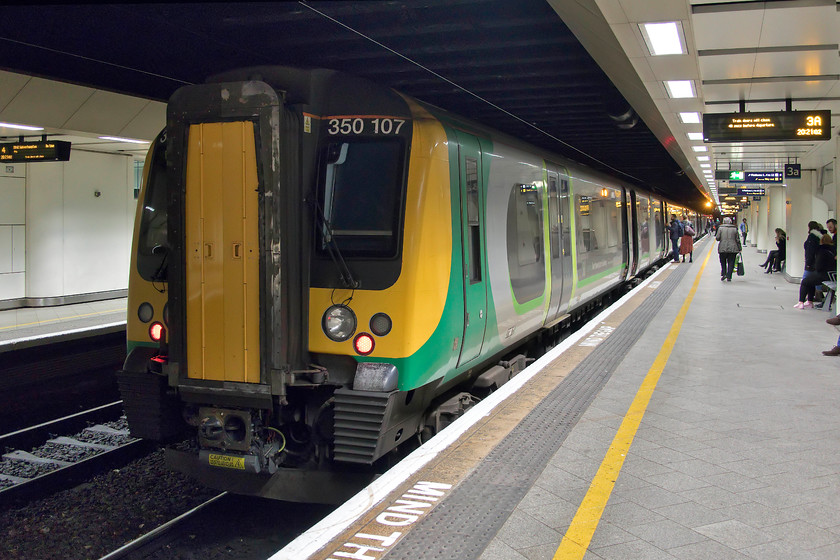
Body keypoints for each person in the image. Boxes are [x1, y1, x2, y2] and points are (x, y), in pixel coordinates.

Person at [793, 224, 830, 308]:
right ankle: (810, 300)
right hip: (829, 274)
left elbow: (815, 260)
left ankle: (801, 301)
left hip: (822, 273)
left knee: (805, 281)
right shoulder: (832, 249)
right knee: (810, 281)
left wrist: (810, 264)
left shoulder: (819, 248)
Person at [715, 217, 741, 281]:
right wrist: (740, 248)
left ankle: (724, 274)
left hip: (722, 248)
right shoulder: (734, 229)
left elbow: (717, 238)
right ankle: (729, 276)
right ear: (730, 222)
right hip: (733, 248)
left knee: (723, 261)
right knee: (731, 262)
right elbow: (737, 239)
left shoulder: (720, 228)